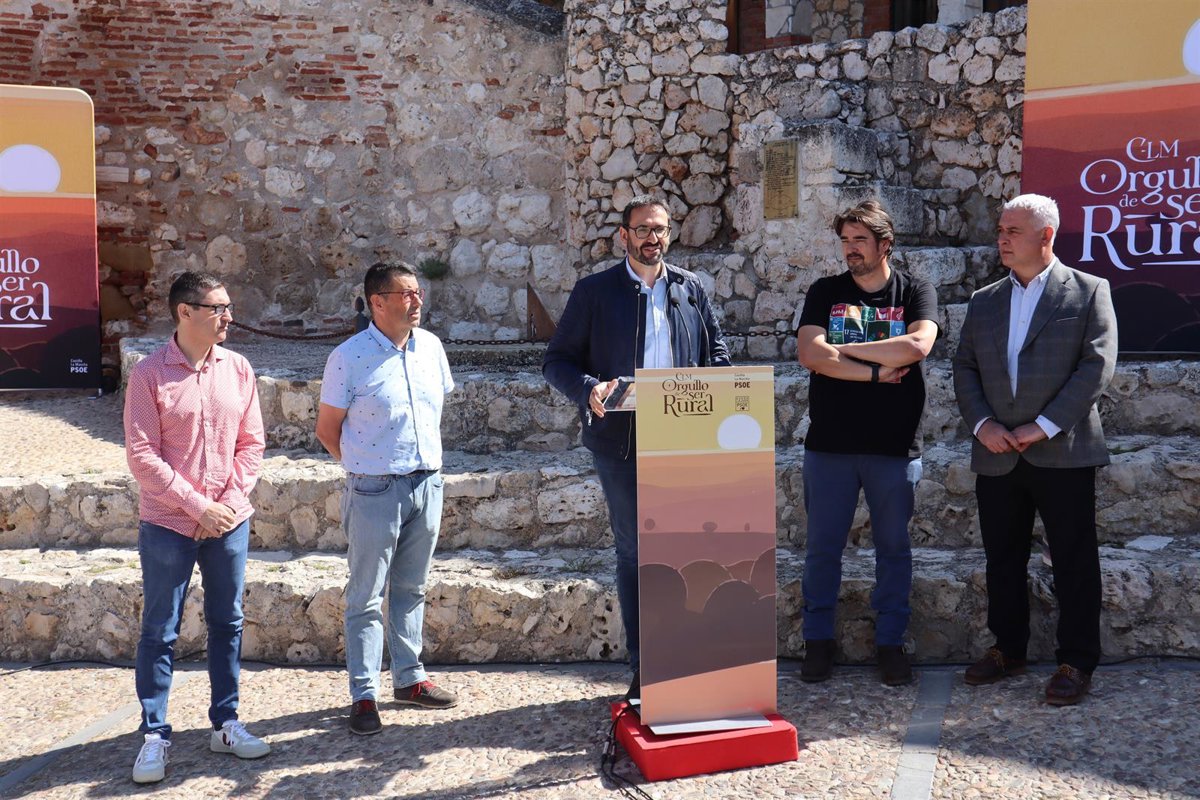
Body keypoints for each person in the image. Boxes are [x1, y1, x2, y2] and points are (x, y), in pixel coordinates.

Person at [543, 195, 731, 700]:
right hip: (621, 443)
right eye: (644, 229)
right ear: (623, 235)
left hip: (685, 439)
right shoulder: (595, 292)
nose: (654, 238)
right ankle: (645, 666)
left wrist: (723, 388)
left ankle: (688, 658)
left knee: (687, 550)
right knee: (635, 553)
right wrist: (588, 388)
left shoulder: (690, 288)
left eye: (661, 229)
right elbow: (556, 361)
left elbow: (716, 353)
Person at [953, 193, 1117, 706]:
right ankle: (1008, 648)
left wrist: (1044, 426)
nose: (1001, 239)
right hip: (997, 451)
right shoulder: (984, 300)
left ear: (1046, 236)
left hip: (1063, 450)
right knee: (1002, 558)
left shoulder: (1088, 291)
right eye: (1000, 229)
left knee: (1073, 559)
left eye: (1013, 231)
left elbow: (1096, 367)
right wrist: (982, 424)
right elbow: (965, 366)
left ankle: (1077, 661)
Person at [124, 271, 270, 784]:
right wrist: (197, 507)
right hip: (168, 522)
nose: (229, 316)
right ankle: (154, 736)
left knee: (228, 622)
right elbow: (143, 456)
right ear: (185, 312)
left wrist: (226, 503)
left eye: (228, 306)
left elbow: (251, 444)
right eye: (218, 308)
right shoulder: (148, 375)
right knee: (160, 628)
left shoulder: (239, 369)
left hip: (229, 520)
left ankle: (226, 723)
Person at [794, 199, 939, 686]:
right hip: (830, 446)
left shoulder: (915, 291)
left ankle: (890, 643)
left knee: (893, 549)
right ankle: (817, 641)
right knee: (822, 549)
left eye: (860, 240)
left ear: (885, 245)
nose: (850, 249)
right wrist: (876, 372)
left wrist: (841, 352)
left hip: (894, 448)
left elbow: (916, 346)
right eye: (845, 240)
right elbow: (809, 354)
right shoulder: (825, 290)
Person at [315, 262, 457, 736]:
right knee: (366, 595)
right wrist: (364, 466)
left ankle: (410, 679)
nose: (417, 301)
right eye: (406, 294)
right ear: (377, 302)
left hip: (427, 484)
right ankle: (364, 694)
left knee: (412, 588)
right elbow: (327, 430)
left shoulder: (431, 347)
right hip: (374, 489)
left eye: (418, 292)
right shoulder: (348, 357)